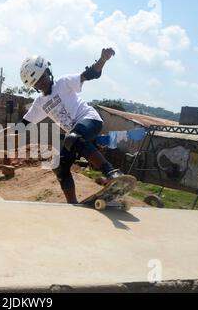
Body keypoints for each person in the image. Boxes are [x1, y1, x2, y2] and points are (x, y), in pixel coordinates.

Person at [17, 49, 124, 204]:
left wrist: (102, 59)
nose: (42, 82)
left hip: (90, 120)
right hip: (75, 135)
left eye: (43, 76)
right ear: (34, 86)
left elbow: (90, 74)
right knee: (59, 166)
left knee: (73, 138)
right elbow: (24, 124)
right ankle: (72, 205)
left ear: (48, 71)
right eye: (37, 82)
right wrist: (3, 136)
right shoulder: (40, 103)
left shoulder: (63, 82)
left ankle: (112, 173)